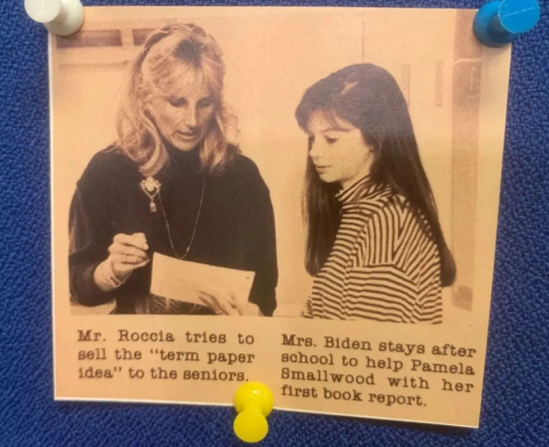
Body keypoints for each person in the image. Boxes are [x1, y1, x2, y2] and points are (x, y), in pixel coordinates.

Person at [69, 23, 277, 316]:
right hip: (138, 342)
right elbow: (76, 284)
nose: (192, 121)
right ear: (146, 97)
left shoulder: (243, 176)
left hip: (222, 340)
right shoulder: (106, 171)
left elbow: (265, 292)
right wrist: (109, 271)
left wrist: (255, 313)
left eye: (204, 103)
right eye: (177, 102)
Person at [295, 63, 455, 323]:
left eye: (331, 138)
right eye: (312, 138)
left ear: (374, 139)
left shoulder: (388, 222)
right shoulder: (358, 211)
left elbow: (361, 343)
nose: (314, 152)